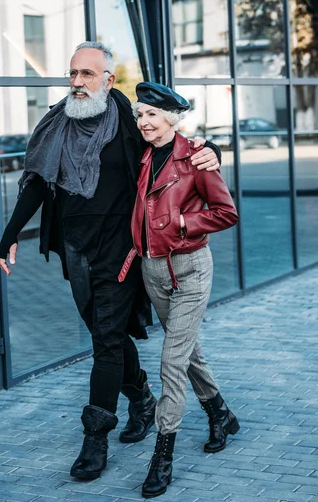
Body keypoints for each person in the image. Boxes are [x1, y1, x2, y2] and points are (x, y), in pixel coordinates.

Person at [0, 42, 221, 482]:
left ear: (108, 79)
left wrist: (211, 148)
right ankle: (141, 399)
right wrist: (8, 237)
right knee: (108, 335)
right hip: (76, 248)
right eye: (73, 73)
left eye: (88, 74)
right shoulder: (57, 124)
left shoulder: (128, 119)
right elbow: (40, 184)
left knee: (104, 341)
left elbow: (173, 142)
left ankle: (95, 438)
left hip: (120, 250)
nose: (78, 83)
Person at [119, 82, 239, 499]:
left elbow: (227, 212)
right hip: (153, 273)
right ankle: (220, 412)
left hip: (190, 270)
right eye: (139, 115)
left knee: (172, 360)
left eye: (151, 114)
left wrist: (185, 224)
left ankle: (162, 456)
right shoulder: (141, 156)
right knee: (189, 352)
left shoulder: (197, 160)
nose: (144, 122)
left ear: (171, 117)